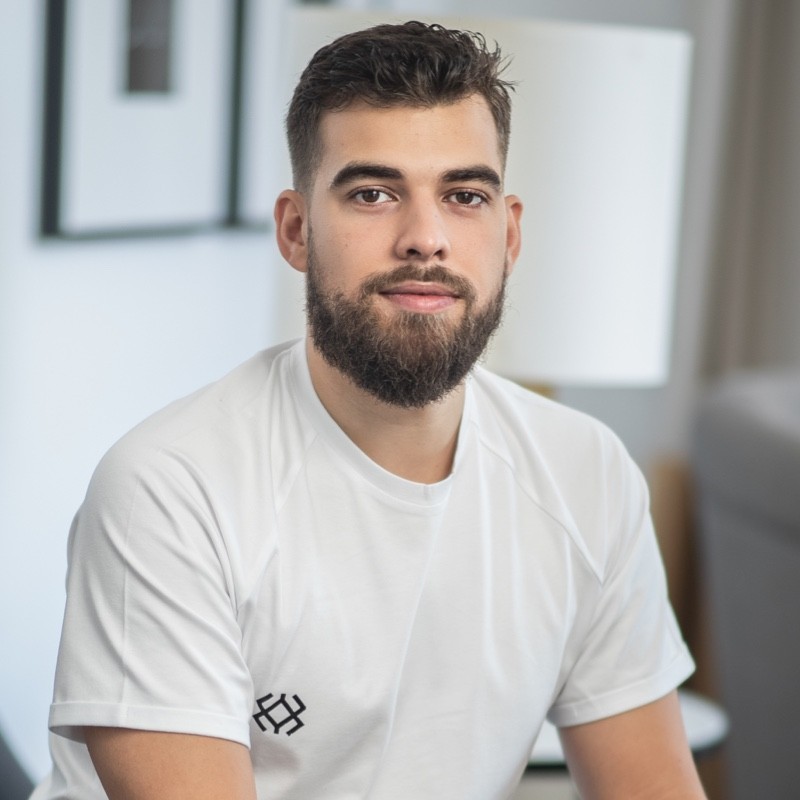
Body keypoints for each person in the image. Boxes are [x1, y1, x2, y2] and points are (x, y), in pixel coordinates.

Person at [31, 20, 706, 800]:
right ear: (296, 230)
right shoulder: (171, 489)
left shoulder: (586, 473)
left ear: (509, 233)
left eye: (464, 196)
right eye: (374, 194)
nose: (426, 239)